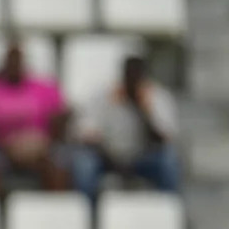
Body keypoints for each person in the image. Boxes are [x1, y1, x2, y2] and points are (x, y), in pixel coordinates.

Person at [70, 55, 182, 203]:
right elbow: (85, 134)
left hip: (143, 158)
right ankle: (87, 216)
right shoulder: (104, 95)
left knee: (169, 160)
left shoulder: (158, 97)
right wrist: (111, 158)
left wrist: (143, 110)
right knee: (84, 163)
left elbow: (164, 139)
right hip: (107, 157)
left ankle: (169, 211)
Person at [0, 41, 70, 194]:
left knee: (60, 164)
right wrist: (9, 145)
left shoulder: (45, 88)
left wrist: (39, 145)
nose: (14, 63)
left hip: (40, 148)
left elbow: (59, 123)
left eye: (18, 58)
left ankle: (56, 213)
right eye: (10, 58)